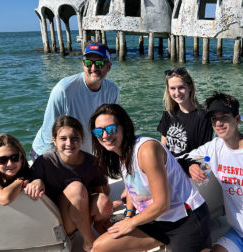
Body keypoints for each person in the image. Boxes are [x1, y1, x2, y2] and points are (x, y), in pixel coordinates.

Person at [89, 104, 211, 252]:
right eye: (98, 131)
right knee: (99, 247)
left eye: (111, 129)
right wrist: (129, 214)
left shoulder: (146, 150)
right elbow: (132, 188)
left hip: (185, 219)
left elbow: (162, 205)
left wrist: (130, 223)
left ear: (124, 127)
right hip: (155, 221)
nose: (105, 135)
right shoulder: (119, 154)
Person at [186, 92, 243, 252]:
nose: (219, 123)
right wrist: (190, 164)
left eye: (224, 117)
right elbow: (184, 157)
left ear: (237, 119)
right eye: (214, 119)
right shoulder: (214, 147)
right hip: (237, 232)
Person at [27, 115, 113, 252]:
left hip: (80, 216)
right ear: (54, 141)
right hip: (58, 222)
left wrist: (106, 210)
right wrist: (36, 181)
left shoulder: (93, 162)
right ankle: (89, 242)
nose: (69, 143)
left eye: (74, 138)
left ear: (82, 139)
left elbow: (103, 191)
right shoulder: (44, 162)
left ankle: (98, 227)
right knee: (76, 188)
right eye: (63, 138)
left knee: (103, 202)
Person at [31, 42, 120, 159]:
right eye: (88, 63)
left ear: (109, 66)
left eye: (99, 63)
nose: (93, 68)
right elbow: (49, 135)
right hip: (48, 153)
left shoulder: (113, 90)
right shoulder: (63, 90)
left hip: (82, 153)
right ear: (83, 65)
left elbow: (111, 128)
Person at [157, 67, 213, 164]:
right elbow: (163, 145)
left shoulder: (203, 116)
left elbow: (202, 153)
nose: (177, 93)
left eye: (181, 87)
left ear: (190, 87)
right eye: (172, 88)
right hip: (170, 167)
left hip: (191, 169)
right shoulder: (168, 113)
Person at [0, 133, 42, 205]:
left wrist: (38, 182)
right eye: (2, 160)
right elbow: (4, 199)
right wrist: (19, 181)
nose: (10, 164)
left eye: (15, 157)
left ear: (22, 158)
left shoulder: (28, 173)